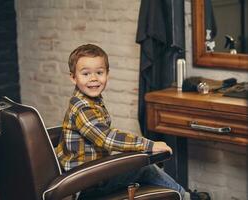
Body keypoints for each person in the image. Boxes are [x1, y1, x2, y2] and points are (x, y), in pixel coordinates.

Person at [55, 44, 209, 200]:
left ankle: (180, 193)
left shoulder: (89, 101)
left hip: (91, 176)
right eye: (86, 74)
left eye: (99, 72)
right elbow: (107, 138)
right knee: (144, 167)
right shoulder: (83, 108)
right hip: (87, 184)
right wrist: (150, 145)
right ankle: (187, 197)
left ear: (108, 74)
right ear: (73, 77)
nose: (94, 78)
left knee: (140, 165)